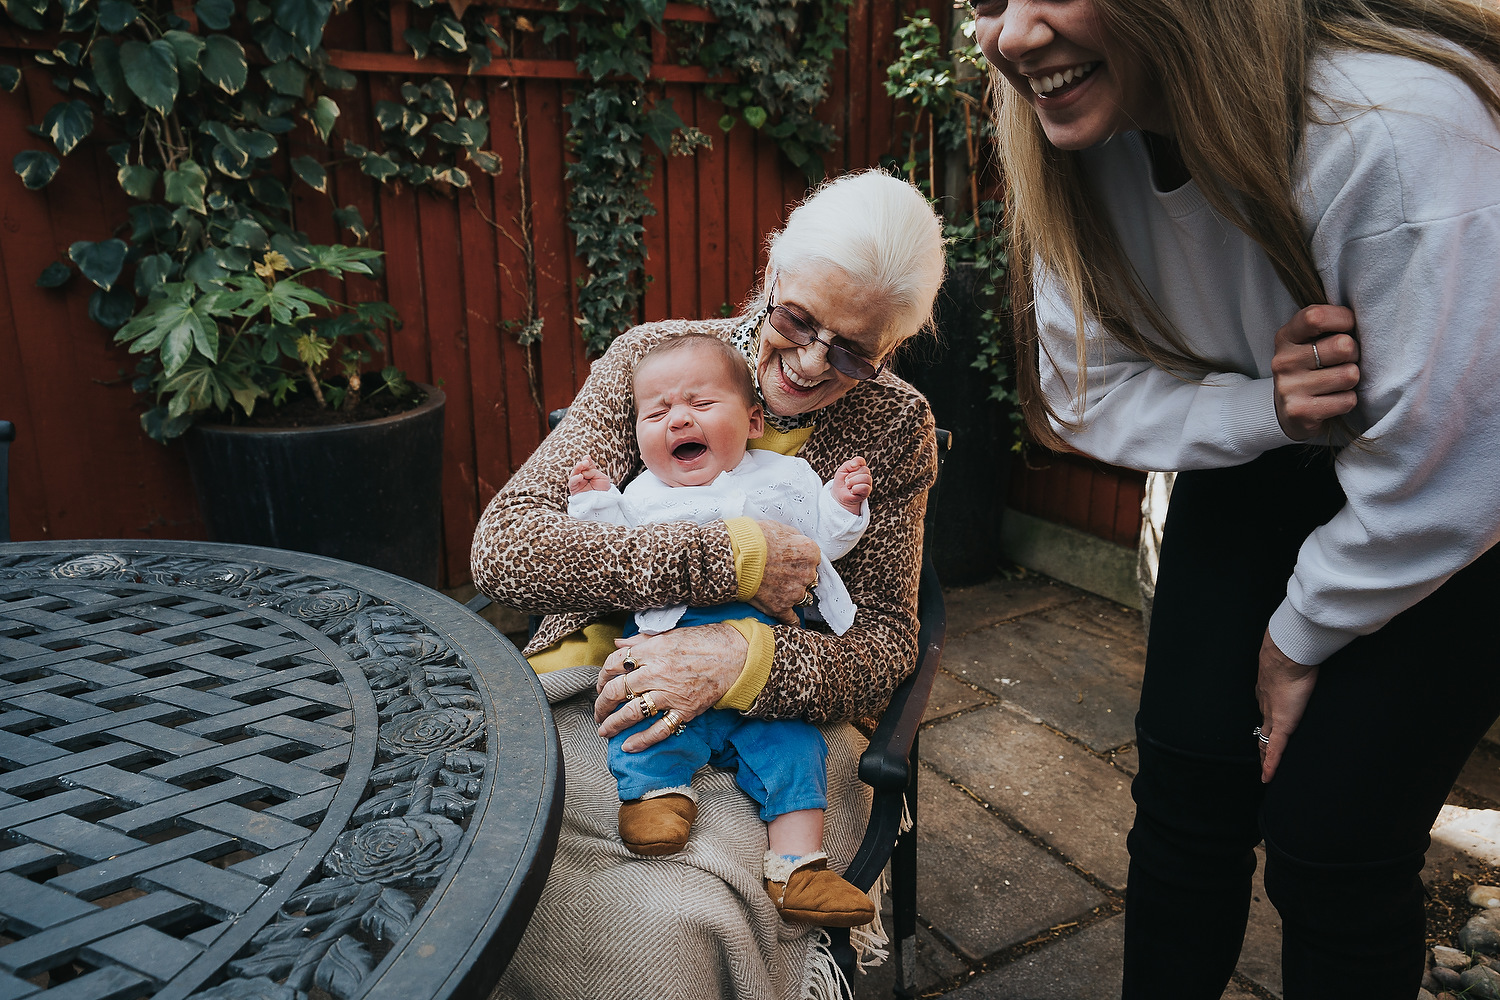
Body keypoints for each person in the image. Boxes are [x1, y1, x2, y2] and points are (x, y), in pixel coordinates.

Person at [971, 0, 1500, 996]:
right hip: (1269, 470)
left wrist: (1300, 633)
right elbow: (1084, 392)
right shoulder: (1075, 137)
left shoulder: (1395, 123)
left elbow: (1461, 452)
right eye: (988, 1)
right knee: (1182, 791)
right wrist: (1270, 406)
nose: (1014, 35)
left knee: (1333, 844)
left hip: (1458, 510)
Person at [471, 167, 945, 1000]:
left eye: (852, 352)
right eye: (797, 319)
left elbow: (885, 644)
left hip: (793, 707)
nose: (806, 362)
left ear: (890, 350)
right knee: (483, 853)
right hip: (606, 681)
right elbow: (504, 549)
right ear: (771, 273)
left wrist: (745, 656)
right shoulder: (653, 361)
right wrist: (734, 559)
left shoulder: (896, 424)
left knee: (676, 917)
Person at [566, 333, 876, 926]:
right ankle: (655, 800)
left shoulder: (786, 479)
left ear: (754, 421)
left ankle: (797, 866)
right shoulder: (643, 493)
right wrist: (595, 501)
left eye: (701, 405)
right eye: (656, 413)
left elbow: (822, 547)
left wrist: (842, 504)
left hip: (769, 659)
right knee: (644, 720)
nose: (678, 417)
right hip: (668, 646)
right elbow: (610, 552)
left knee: (797, 748)